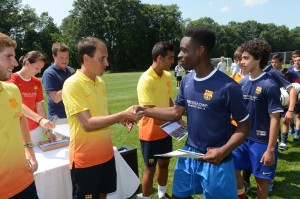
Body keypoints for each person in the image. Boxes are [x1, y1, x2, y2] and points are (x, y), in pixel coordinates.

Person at [142, 27, 250, 199]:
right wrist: (142, 111)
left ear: (200, 51)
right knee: (179, 196)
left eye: (184, 50)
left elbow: (244, 127)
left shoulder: (228, 87)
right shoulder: (187, 80)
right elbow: (175, 113)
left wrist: (222, 151)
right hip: (189, 154)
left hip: (217, 159)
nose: (179, 55)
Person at [62, 36, 144, 199]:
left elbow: (100, 113)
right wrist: (121, 114)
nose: (106, 63)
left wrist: (119, 118)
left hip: (106, 155)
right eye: (102, 59)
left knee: (103, 195)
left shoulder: (100, 82)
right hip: (85, 160)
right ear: (86, 58)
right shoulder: (73, 84)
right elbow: (87, 123)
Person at [233, 39, 283, 199]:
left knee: (261, 180)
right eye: (241, 58)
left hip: (262, 142)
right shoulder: (243, 82)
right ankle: (242, 196)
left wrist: (270, 150)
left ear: (258, 59)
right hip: (242, 139)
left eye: (246, 58)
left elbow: (275, 119)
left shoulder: (269, 85)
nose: (241, 61)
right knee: (232, 169)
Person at [136, 41, 177, 199]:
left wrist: (177, 114)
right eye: (170, 58)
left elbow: (169, 101)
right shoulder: (146, 79)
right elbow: (148, 110)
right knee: (150, 168)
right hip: (150, 133)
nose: (173, 61)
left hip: (166, 130)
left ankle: (161, 194)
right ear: (160, 58)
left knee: (165, 163)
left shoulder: (167, 76)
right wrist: (174, 114)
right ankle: (145, 197)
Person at [0, 32, 39, 198]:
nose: (15, 63)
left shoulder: (12, 90)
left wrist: (30, 153)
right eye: (9, 57)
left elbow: (21, 118)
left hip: (25, 181)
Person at [7, 51, 56, 146]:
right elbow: (17, 105)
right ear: (27, 63)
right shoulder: (12, 79)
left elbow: (40, 107)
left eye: (41, 68)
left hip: (35, 129)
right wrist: (40, 120)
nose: (39, 71)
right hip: (18, 130)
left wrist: (47, 131)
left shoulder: (36, 82)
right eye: (37, 67)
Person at [42, 42, 73, 121]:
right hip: (58, 118)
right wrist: (73, 85)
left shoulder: (70, 70)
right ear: (54, 56)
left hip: (72, 114)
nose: (64, 60)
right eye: (61, 57)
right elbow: (55, 98)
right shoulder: (49, 73)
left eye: (67, 57)